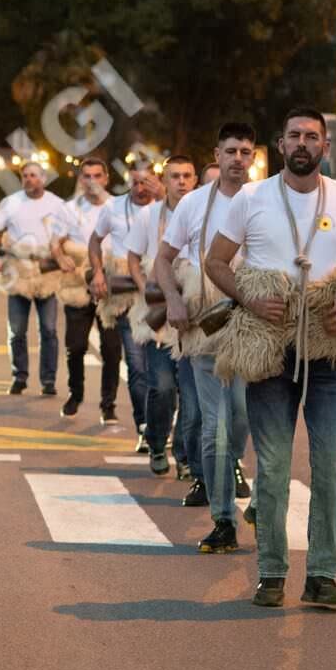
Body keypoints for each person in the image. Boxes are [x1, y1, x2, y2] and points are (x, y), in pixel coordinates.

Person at [205, 108, 336, 609]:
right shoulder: (251, 198)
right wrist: (250, 299)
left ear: (325, 146)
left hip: (328, 348)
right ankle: (272, 573)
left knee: (330, 462)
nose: (303, 143)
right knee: (275, 464)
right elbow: (215, 261)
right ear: (280, 145)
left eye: (312, 136)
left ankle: (322, 574)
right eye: (295, 136)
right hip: (269, 349)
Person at [157, 125, 258, 555]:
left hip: (255, 324)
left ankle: (238, 473)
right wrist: (173, 300)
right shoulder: (194, 203)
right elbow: (163, 259)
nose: (237, 158)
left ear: (254, 157)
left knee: (243, 416)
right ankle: (223, 519)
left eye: (245, 152)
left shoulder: (266, 200)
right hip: (205, 323)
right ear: (216, 154)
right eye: (230, 151)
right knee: (214, 426)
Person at [124, 157, 197, 475]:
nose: (181, 181)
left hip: (194, 311)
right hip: (158, 314)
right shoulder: (148, 215)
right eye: (174, 176)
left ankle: (183, 455)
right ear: (164, 181)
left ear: (195, 180)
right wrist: (148, 290)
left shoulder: (204, 212)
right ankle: (156, 443)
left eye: (187, 176)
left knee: (191, 393)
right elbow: (132, 257)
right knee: (163, 386)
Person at [88, 161, 158, 448]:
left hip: (162, 295)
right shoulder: (113, 207)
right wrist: (98, 272)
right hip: (126, 297)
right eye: (135, 182)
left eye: (146, 182)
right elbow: (95, 241)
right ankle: (145, 427)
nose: (140, 188)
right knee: (137, 365)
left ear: (156, 180)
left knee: (165, 371)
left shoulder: (171, 207)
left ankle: (164, 421)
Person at [51, 157, 123, 422]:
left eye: (97, 175)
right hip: (77, 284)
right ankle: (75, 394)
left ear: (106, 178)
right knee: (76, 346)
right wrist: (61, 257)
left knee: (112, 349)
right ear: (80, 179)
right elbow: (55, 242)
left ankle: (108, 404)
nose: (92, 181)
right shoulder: (68, 209)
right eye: (87, 176)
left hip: (112, 285)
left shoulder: (119, 207)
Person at [0, 162, 68, 395]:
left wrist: (60, 254)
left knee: (49, 329)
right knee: (17, 330)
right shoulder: (10, 202)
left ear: (43, 178)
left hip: (46, 270)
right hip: (18, 270)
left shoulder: (57, 204)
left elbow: (67, 232)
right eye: (25, 175)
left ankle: (48, 381)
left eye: (33, 175)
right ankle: (19, 377)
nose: (29, 179)